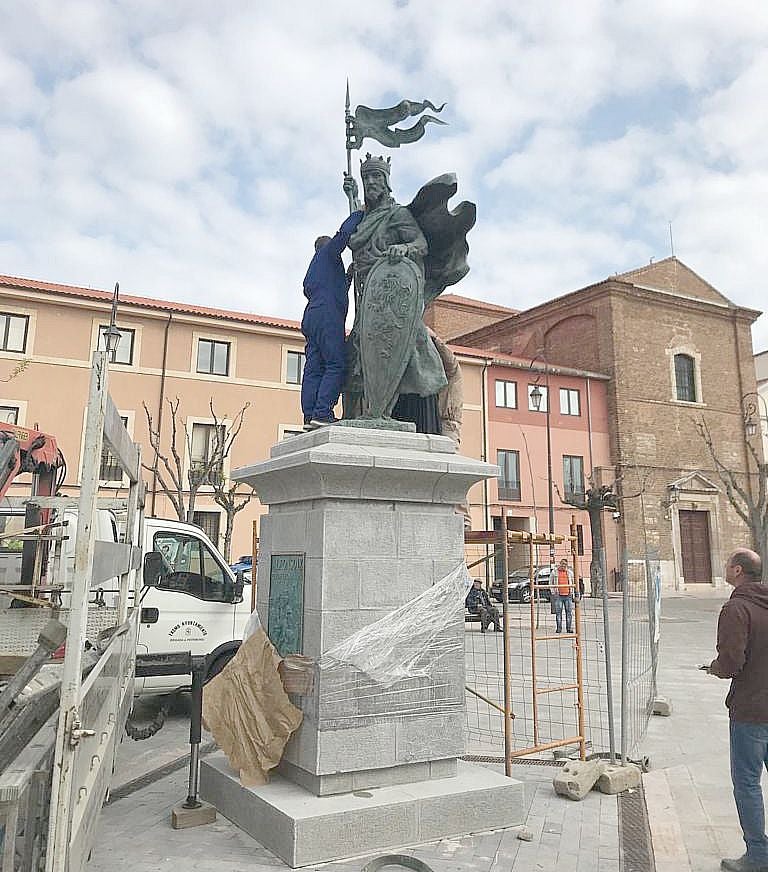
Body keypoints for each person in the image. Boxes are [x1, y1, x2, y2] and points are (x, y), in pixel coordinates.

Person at [705, 548, 768, 872]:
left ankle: (758, 855)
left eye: (728, 562)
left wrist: (715, 667)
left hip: (751, 712)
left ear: (739, 571)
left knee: (747, 783)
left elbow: (732, 662)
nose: (724, 566)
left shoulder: (736, 608)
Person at [300, 206, 363, 428]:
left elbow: (332, 289)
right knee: (336, 363)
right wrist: (359, 213)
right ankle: (323, 412)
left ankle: (310, 416)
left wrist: (347, 277)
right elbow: (343, 235)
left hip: (312, 316)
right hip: (328, 316)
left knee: (314, 367)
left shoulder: (317, 268)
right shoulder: (327, 254)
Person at [552, 558, 574, 634]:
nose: (564, 565)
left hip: (568, 595)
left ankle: (569, 628)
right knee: (558, 612)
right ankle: (559, 628)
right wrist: (553, 591)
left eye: (565, 564)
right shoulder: (555, 572)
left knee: (569, 612)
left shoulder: (569, 573)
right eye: (562, 564)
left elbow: (573, 582)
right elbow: (551, 582)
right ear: (560, 563)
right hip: (558, 595)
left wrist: (572, 592)